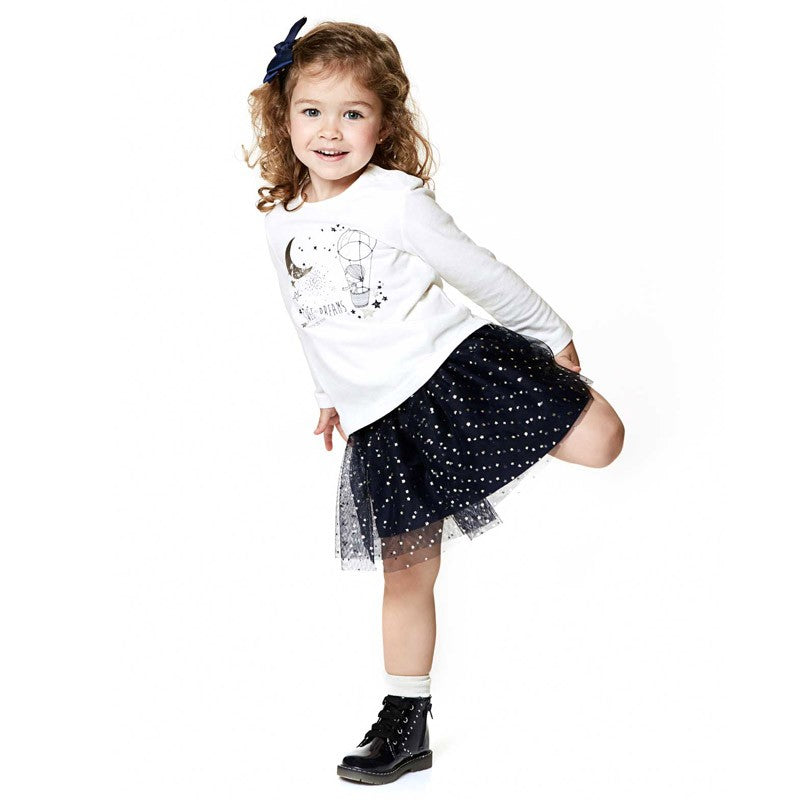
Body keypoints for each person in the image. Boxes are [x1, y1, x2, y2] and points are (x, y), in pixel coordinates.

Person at [244, 16, 625, 785]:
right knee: (407, 575)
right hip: (385, 423)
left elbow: (478, 270)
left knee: (603, 442)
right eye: (312, 111)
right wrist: (328, 393)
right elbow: (305, 314)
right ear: (283, 119)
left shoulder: (395, 200)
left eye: (352, 113)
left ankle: (527, 419)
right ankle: (405, 718)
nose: (330, 130)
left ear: (383, 125)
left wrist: (552, 335)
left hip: (451, 372)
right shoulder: (281, 219)